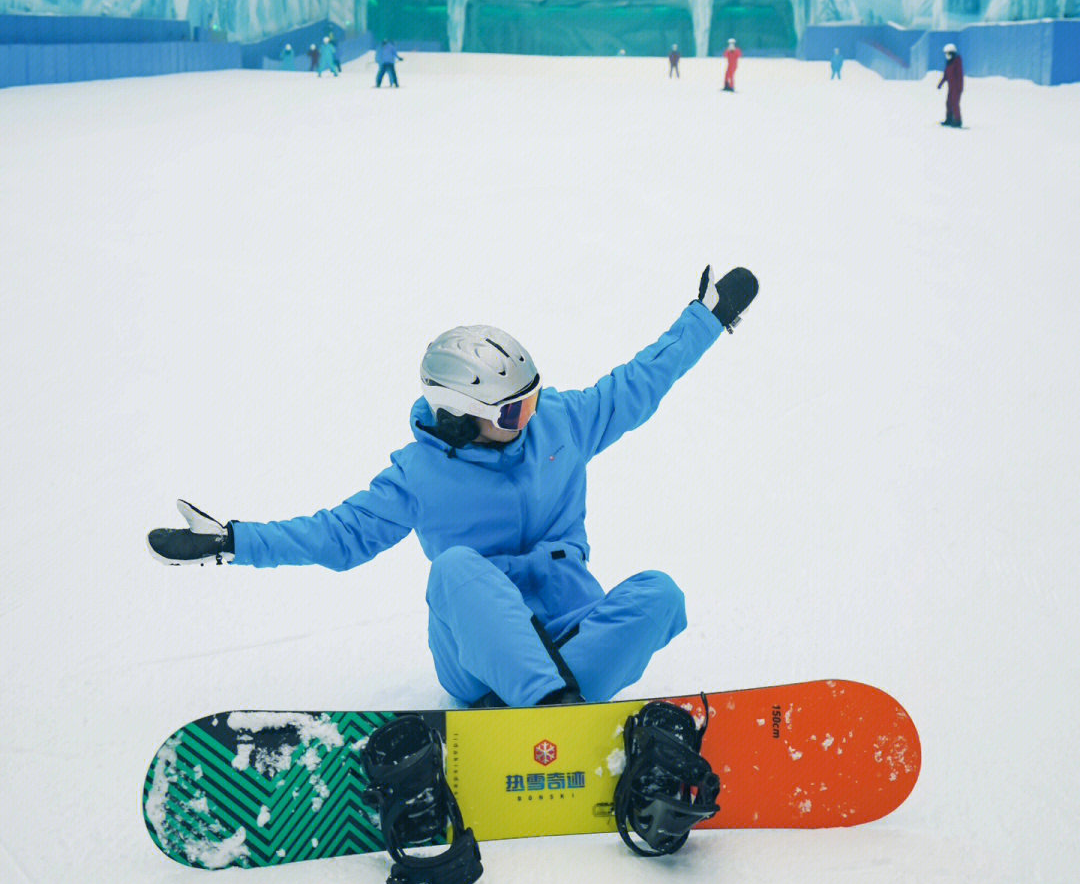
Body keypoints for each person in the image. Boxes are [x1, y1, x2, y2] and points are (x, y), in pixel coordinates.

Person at [148, 265, 759, 711]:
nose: (533, 415)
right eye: (514, 410)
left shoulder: (562, 424)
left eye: (534, 396)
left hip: (572, 630)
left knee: (661, 596)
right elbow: (339, 536)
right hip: (476, 653)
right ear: (462, 412)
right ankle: (549, 708)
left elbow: (640, 382)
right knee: (456, 569)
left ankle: (548, 707)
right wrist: (234, 540)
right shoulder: (419, 475)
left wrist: (705, 320)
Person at [938, 43, 963, 126]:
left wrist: (958, 87)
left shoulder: (957, 62)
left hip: (957, 87)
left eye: (948, 53)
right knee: (948, 103)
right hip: (951, 87)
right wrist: (941, 83)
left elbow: (959, 75)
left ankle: (958, 121)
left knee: (955, 103)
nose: (946, 55)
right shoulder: (949, 62)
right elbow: (946, 75)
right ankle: (949, 119)